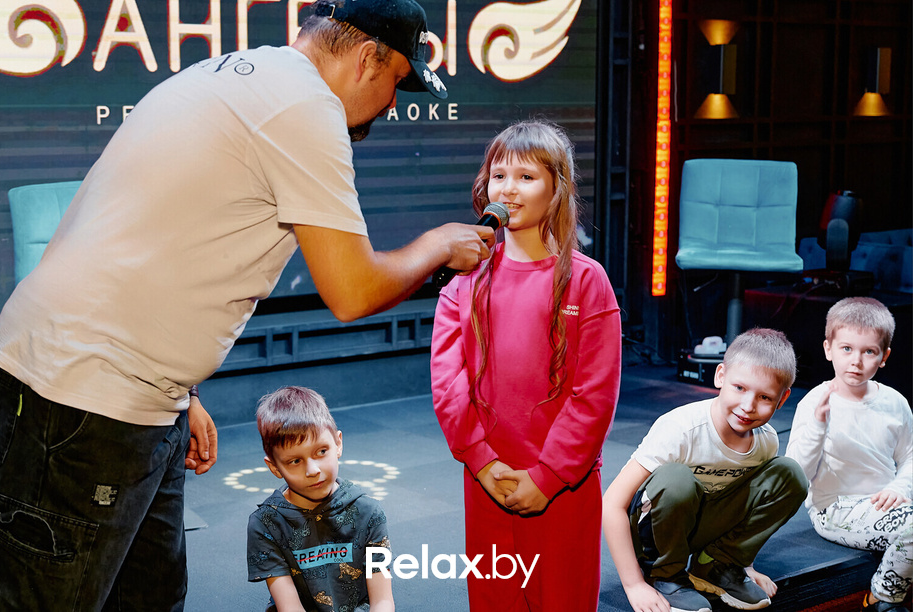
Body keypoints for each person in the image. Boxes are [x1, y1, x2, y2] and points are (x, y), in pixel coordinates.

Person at [0, 0, 494, 608]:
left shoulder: (230, 74)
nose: (392, 104)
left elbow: (157, 236)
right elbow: (353, 290)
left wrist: (184, 392)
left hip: (133, 394)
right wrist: (438, 245)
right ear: (367, 58)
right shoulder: (306, 107)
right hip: (81, 401)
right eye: (396, 81)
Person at [430, 119, 622, 611]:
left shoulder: (587, 280)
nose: (508, 189)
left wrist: (549, 476)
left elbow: (595, 394)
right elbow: (448, 384)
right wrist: (482, 461)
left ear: (557, 188)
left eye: (526, 177)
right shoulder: (463, 282)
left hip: (564, 486)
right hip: (488, 481)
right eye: (499, 175)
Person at [602, 328, 809, 612]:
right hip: (655, 532)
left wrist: (745, 564)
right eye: (740, 388)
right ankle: (664, 576)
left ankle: (716, 565)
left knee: (789, 475)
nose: (748, 406)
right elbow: (612, 504)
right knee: (677, 480)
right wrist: (633, 584)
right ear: (720, 376)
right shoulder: (681, 429)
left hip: (700, 523)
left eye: (764, 397)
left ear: (782, 400)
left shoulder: (766, 441)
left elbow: (746, 506)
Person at [785, 297, 912, 612]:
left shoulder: (895, 402)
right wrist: (818, 425)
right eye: (846, 349)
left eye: (868, 351)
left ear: (884, 357)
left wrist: (900, 487)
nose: (856, 361)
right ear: (828, 349)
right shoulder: (814, 403)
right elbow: (796, 473)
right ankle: (883, 598)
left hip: (887, 503)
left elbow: (910, 455)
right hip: (836, 510)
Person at [247, 386, 393, 612]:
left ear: (338, 444)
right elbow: (290, 607)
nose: (313, 470)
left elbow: (382, 601)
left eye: (321, 451)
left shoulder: (369, 512)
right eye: (295, 461)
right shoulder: (266, 523)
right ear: (274, 467)